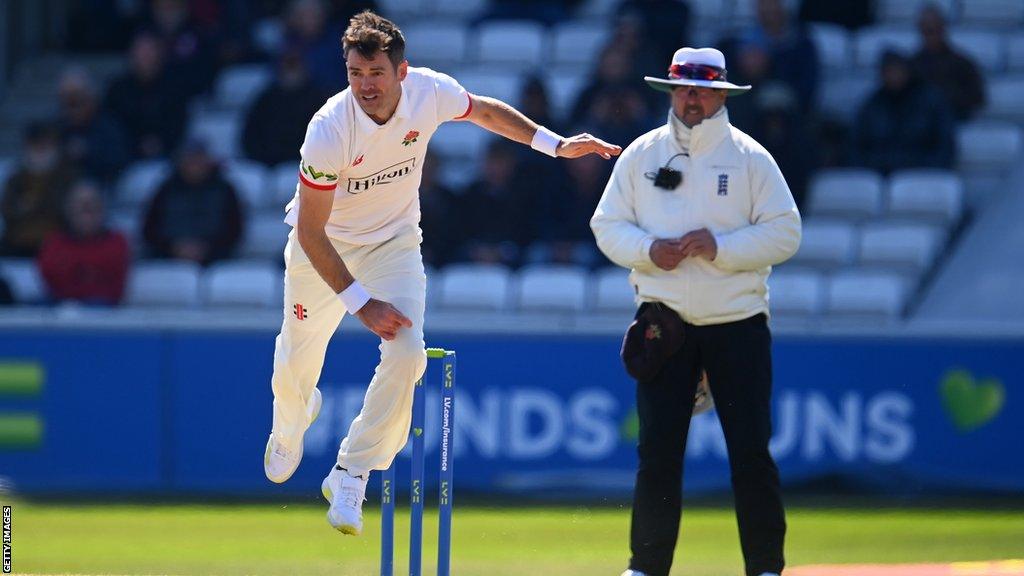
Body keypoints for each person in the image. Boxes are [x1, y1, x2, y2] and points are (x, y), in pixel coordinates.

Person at [264, 10, 620, 536]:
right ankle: (292, 420)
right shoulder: (328, 128)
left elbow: (486, 113)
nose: (365, 86)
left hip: (394, 243)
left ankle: (352, 470)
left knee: (408, 353)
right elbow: (313, 234)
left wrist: (556, 144)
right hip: (324, 250)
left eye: (376, 74)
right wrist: (361, 303)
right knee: (299, 356)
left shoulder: (429, 92)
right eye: (355, 74)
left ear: (401, 71)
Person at [590, 47, 801, 576]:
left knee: (751, 454)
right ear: (671, 91)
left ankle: (766, 568)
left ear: (722, 94)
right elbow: (606, 225)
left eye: (703, 89)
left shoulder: (750, 158)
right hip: (665, 324)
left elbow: (786, 231)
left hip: (738, 323)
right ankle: (645, 567)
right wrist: (647, 250)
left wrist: (721, 247)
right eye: (683, 88)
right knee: (658, 455)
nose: (692, 98)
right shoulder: (643, 153)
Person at [851, 49, 955, 175]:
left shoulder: (930, 101)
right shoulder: (872, 104)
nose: (893, 76)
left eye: (897, 71)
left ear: (907, 71)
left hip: (923, 174)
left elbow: (945, 145)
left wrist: (925, 167)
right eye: (888, 72)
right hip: (880, 175)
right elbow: (856, 146)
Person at [142, 138, 244, 265]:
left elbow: (235, 230)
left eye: (199, 158)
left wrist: (207, 249)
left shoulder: (225, 190)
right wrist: (172, 247)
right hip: (169, 259)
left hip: (213, 260)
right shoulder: (165, 190)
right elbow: (150, 229)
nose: (194, 164)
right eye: (190, 159)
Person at [37, 181, 130, 305]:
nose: (86, 208)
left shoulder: (117, 242)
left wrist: (75, 272)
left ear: (102, 208)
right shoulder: (54, 243)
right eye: (80, 205)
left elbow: (108, 284)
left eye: (92, 204)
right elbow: (53, 279)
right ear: (68, 209)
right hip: (58, 304)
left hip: (104, 308)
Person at [1, 123, 76, 257]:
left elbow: (67, 212)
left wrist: (35, 206)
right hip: (17, 244)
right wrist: (21, 208)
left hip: (57, 245)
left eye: (45, 144)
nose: (40, 149)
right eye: (36, 144)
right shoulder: (15, 179)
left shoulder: (68, 178)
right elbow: (7, 210)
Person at [911, 4, 986, 121]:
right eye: (926, 31)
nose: (931, 36)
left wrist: (948, 95)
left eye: (934, 30)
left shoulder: (963, 64)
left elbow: (978, 98)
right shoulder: (911, 66)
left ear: (943, 29)